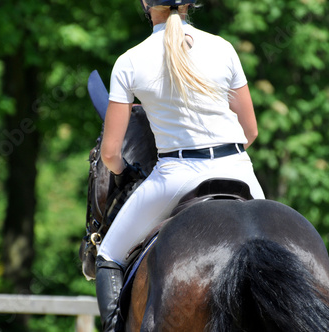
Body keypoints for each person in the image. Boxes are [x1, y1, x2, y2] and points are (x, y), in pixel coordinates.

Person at [95, 0, 265, 330]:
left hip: (176, 176)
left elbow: (111, 153)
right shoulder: (224, 48)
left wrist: (124, 173)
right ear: (189, 4)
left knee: (108, 256)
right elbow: (250, 130)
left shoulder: (130, 61)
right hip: (239, 170)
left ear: (146, 4)